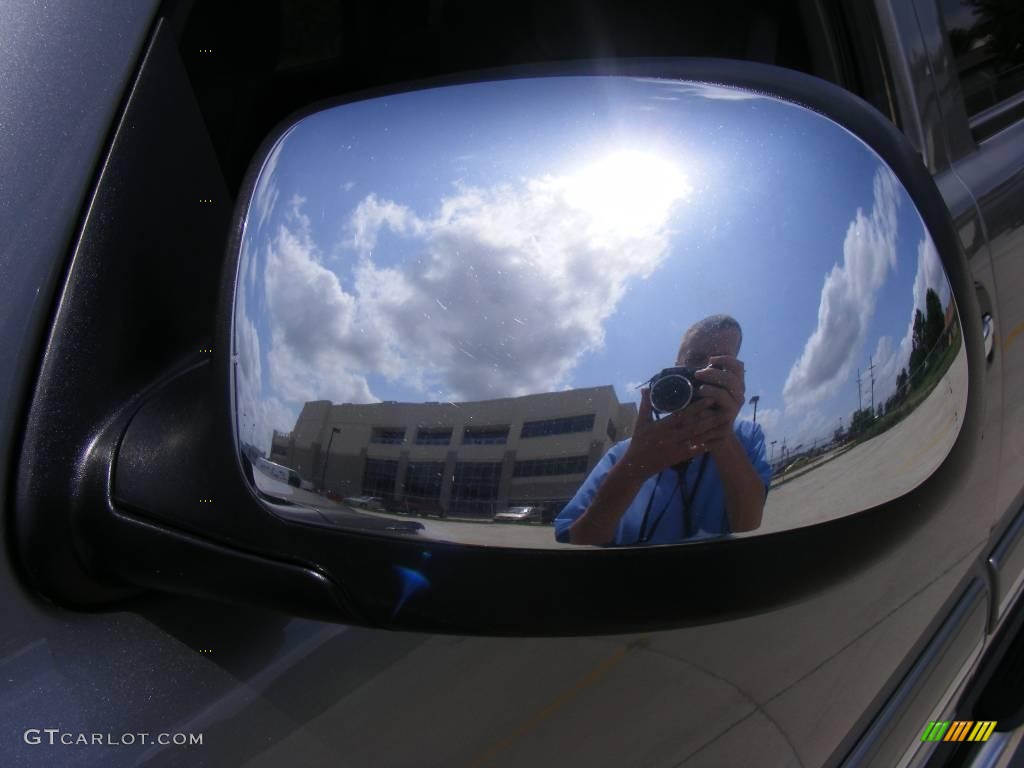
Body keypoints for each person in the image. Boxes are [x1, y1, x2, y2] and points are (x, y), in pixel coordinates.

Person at [555, 315, 770, 546]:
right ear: (675, 367)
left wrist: (722, 436)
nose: (704, 376)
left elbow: (748, 523)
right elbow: (577, 540)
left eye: (720, 366)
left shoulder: (747, 437)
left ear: (737, 374)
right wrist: (633, 470)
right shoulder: (622, 455)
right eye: (695, 360)